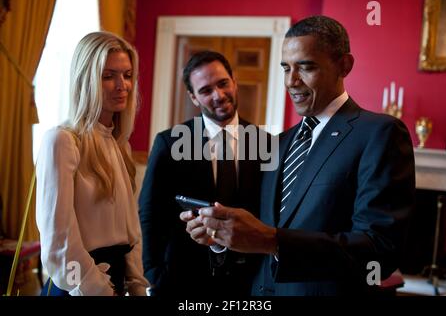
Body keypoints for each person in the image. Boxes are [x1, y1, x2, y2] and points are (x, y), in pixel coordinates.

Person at [183, 16, 415, 296]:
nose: (291, 81)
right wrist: (222, 237)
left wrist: (273, 240)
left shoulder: (380, 134)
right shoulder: (279, 143)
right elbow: (260, 234)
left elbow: (380, 251)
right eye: (285, 68)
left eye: (306, 67)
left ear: (344, 65)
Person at [139, 51, 271, 296]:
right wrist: (154, 276)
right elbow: (150, 214)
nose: (218, 96)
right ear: (193, 97)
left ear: (234, 81)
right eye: (206, 90)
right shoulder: (170, 143)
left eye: (223, 84)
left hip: (250, 282)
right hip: (183, 280)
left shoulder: (266, 144)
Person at [36, 31, 149, 296]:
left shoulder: (120, 144)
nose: (122, 85)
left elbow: (131, 232)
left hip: (116, 283)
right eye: (108, 76)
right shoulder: (61, 141)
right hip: (79, 287)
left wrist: (136, 284)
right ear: (85, 79)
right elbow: (59, 240)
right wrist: (96, 289)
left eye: (127, 75)